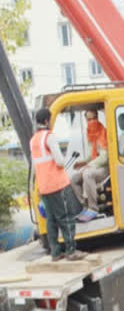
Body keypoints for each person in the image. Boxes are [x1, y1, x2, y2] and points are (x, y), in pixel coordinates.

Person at [30, 109, 87, 261]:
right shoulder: (49, 137)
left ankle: (55, 252)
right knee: (66, 216)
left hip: (44, 186)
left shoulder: (33, 140)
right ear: (47, 121)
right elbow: (60, 161)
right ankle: (71, 250)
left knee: (51, 219)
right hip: (58, 184)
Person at [71, 108, 109, 222]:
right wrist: (83, 162)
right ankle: (85, 206)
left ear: (97, 118)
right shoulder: (90, 134)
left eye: (94, 118)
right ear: (86, 120)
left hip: (105, 167)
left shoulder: (103, 132)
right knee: (75, 179)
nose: (92, 121)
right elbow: (90, 155)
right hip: (95, 166)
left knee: (87, 174)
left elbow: (104, 157)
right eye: (89, 119)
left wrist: (90, 165)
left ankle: (93, 208)